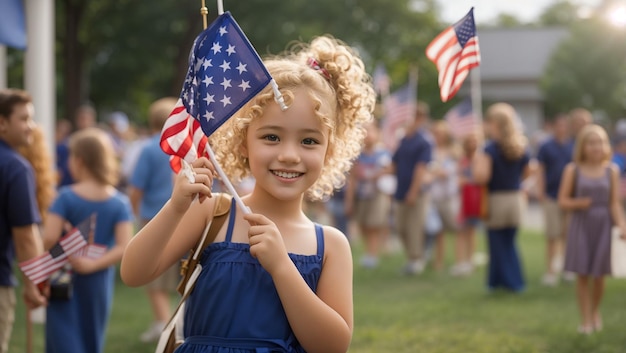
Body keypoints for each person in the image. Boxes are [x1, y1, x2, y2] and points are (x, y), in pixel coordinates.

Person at [120, 36, 375, 353]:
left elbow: (332, 346)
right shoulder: (213, 212)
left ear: (329, 151)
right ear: (244, 141)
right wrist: (175, 207)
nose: (289, 155)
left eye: (309, 141)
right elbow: (133, 273)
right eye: (271, 137)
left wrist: (281, 267)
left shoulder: (330, 245)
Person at [42, 128, 133, 353]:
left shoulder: (65, 196)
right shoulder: (120, 202)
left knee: (62, 334)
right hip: (98, 279)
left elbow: (49, 238)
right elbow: (125, 246)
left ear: (79, 161)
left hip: (63, 274)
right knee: (91, 334)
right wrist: (93, 264)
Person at [557, 124, 626, 334]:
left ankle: (595, 311)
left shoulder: (611, 170)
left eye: (601, 142)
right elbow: (562, 200)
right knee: (583, 274)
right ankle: (585, 319)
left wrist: (622, 225)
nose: (597, 147)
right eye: (592, 142)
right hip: (581, 225)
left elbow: (614, 202)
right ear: (583, 146)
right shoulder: (573, 170)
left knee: (599, 275)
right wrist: (579, 204)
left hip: (603, 225)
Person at [127, 97, 181, 343]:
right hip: (186, 218)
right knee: (182, 275)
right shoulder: (184, 145)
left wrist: (135, 216)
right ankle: (179, 323)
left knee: (156, 279)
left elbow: (136, 189)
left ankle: (163, 325)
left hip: (154, 219)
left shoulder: (149, 149)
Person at [0, 89, 47, 353]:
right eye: (24, 119)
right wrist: (33, 285)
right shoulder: (15, 167)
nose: (32, 127)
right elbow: (26, 235)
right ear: (2, 122)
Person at [473, 103, 531, 293]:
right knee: (509, 241)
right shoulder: (520, 146)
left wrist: (476, 161)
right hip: (515, 198)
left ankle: (513, 283)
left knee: (497, 243)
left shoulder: (489, 149)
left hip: (496, 199)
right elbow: (528, 173)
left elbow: (482, 177)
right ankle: (496, 281)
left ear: (494, 123)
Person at [390, 102, 433, 275]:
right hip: (400, 189)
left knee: (415, 227)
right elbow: (395, 164)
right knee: (401, 226)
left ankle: (417, 259)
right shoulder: (403, 140)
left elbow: (421, 169)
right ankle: (411, 256)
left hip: (416, 192)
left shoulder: (424, 142)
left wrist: (413, 191)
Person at [345, 122, 391, 268]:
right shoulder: (357, 155)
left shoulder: (383, 154)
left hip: (377, 195)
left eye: (369, 131)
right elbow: (352, 179)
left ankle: (373, 255)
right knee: (363, 224)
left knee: (373, 224)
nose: (367, 135)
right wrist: (349, 201)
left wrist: (378, 174)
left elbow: (390, 170)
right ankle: (369, 252)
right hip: (361, 196)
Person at [536, 114, 572, 286]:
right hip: (551, 195)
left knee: (568, 235)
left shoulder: (573, 145)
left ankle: (566, 268)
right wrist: (541, 193)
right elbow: (540, 170)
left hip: (570, 198)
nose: (561, 128)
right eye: (559, 125)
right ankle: (550, 271)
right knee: (552, 235)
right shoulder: (545, 146)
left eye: (564, 125)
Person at [427, 120, 459, 272]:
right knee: (438, 231)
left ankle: (461, 259)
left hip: (448, 197)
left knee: (456, 229)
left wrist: (435, 172)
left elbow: (448, 172)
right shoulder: (429, 151)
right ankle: (438, 261)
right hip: (433, 196)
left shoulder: (452, 151)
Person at [451, 131, 482, 276]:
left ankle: (470, 260)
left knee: (472, 230)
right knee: (461, 231)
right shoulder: (462, 160)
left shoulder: (480, 160)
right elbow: (458, 178)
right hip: (463, 199)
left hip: (475, 199)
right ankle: (460, 261)